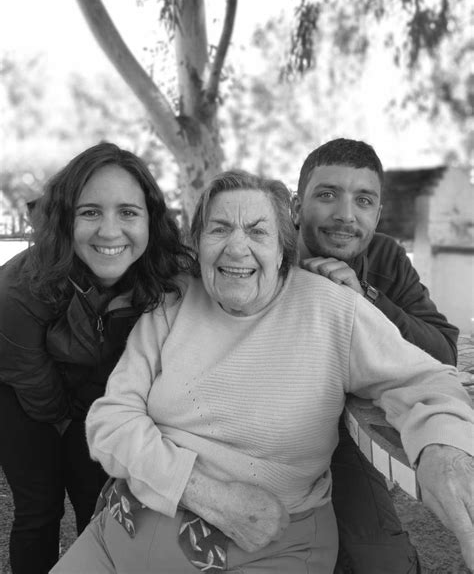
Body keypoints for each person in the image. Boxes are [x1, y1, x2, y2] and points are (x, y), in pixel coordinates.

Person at [51, 169, 473, 574]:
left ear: (282, 249)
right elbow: (111, 420)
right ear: (197, 244)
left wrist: (442, 447)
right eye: (219, 229)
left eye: (257, 231)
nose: (237, 248)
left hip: (259, 551)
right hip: (115, 534)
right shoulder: (174, 302)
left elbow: (426, 378)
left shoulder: (332, 310)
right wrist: (206, 493)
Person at [0, 142, 195, 574]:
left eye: (128, 212)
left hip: (99, 397)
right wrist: (71, 428)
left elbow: (236, 275)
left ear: (150, 219)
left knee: (102, 503)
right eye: (90, 212)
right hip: (27, 399)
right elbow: (33, 382)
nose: (110, 231)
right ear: (65, 219)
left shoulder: (168, 272)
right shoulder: (17, 288)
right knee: (39, 508)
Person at [292, 138, 460, 573]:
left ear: (377, 213)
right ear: (296, 206)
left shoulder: (385, 256)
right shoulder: (263, 253)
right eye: (327, 195)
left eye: (363, 200)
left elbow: (442, 351)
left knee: (381, 560)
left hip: (346, 430)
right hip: (269, 431)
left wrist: (365, 297)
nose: (346, 215)